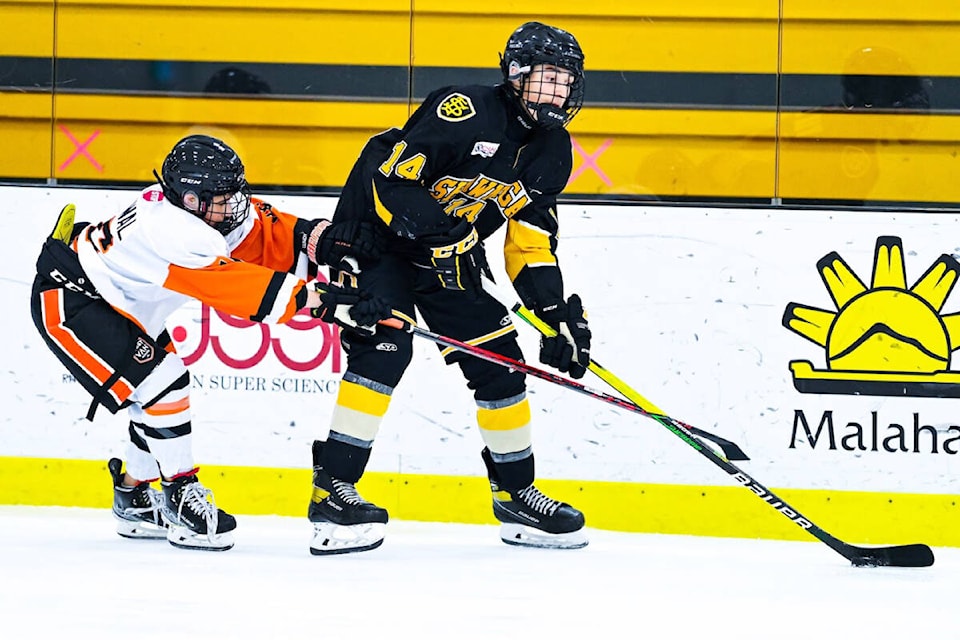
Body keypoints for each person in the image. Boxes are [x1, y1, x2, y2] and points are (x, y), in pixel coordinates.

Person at [307, 21, 592, 555]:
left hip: (449, 253)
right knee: (384, 347)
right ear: (516, 74)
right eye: (548, 78)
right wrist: (441, 229)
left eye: (566, 81)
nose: (558, 91)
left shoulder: (552, 150)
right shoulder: (463, 109)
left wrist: (555, 315)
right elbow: (390, 179)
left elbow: (529, 242)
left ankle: (516, 494)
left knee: (501, 362)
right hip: (379, 240)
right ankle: (332, 492)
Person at [30, 134, 389, 551]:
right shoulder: (172, 231)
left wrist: (317, 240)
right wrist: (324, 302)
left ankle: (133, 497)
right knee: (164, 382)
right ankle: (180, 494)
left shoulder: (200, 215)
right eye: (222, 196)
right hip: (74, 303)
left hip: (119, 305)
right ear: (190, 199)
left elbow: (260, 237)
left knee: (157, 396)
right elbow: (237, 289)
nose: (234, 203)